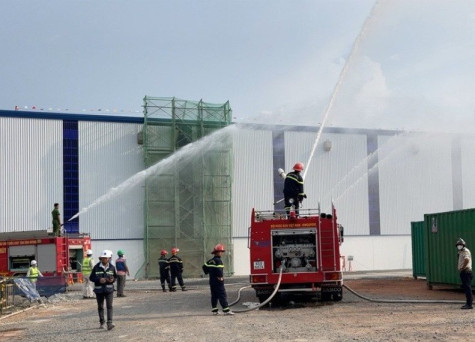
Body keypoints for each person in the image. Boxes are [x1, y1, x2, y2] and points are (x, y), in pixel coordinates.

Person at [202, 244, 234, 315]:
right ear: (217, 252)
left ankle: (214, 310)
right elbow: (219, 270)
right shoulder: (218, 261)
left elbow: (204, 267)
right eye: (220, 251)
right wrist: (220, 277)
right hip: (218, 281)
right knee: (222, 295)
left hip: (212, 281)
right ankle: (226, 310)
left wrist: (207, 272)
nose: (221, 253)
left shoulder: (210, 261)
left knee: (214, 295)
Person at [90, 250, 117, 330]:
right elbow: (91, 278)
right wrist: (99, 280)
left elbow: (115, 277)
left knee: (109, 306)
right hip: (99, 290)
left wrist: (112, 280)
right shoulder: (96, 267)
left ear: (108, 259)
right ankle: (102, 322)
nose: (104, 260)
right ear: (100, 259)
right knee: (100, 306)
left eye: (106, 258)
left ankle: (109, 323)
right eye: (103, 258)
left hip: (109, 290)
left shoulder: (112, 267)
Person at [456, 238, 473, 309]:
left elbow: (467, 259)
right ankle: (468, 303)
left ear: (463, 245)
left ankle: (469, 304)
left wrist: (462, 268)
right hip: (464, 272)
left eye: (460, 244)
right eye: (458, 245)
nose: (459, 246)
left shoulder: (465, 251)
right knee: (466, 288)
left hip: (466, 272)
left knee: (467, 288)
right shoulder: (460, 252)